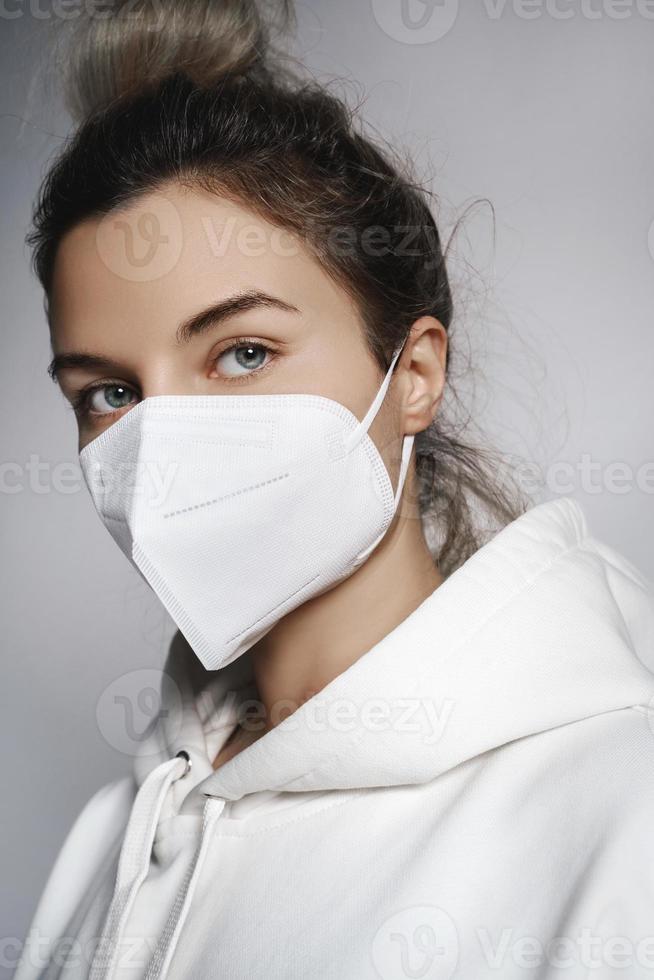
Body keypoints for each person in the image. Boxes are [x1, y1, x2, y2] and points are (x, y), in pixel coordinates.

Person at [14, 1, 654, 978]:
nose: (164, 439)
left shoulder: (620, 812)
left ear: (413, 373)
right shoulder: (116, 830)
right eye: (108, 391)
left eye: (241, 352)